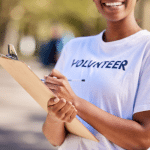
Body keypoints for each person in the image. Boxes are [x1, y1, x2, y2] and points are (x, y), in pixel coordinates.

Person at [42, 0, 150, 149]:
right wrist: (56, 116)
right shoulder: (73, 47)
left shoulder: (146, 48)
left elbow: (143, 139)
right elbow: (54, 139)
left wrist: (75, 102)